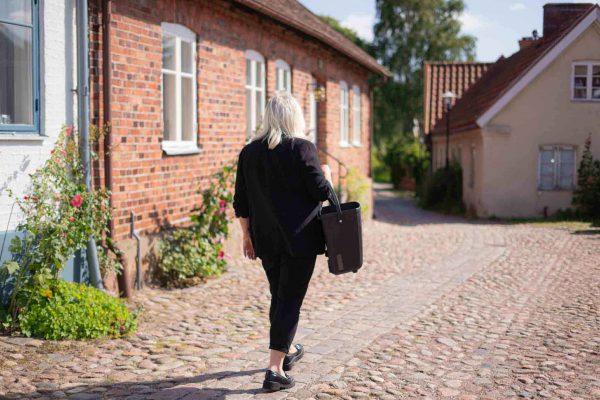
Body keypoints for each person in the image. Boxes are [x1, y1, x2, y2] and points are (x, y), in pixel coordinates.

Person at [233, 92, 332, 392]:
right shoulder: (302, 148)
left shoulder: (249, 153)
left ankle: (285, 351)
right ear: (295, 118)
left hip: (265, 240)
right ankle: (275, 370)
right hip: (300, 241)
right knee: (289, 300)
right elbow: (321, 192)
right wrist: (327, 173)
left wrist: (246, 236)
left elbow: (241, 202)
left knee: (280, 295)